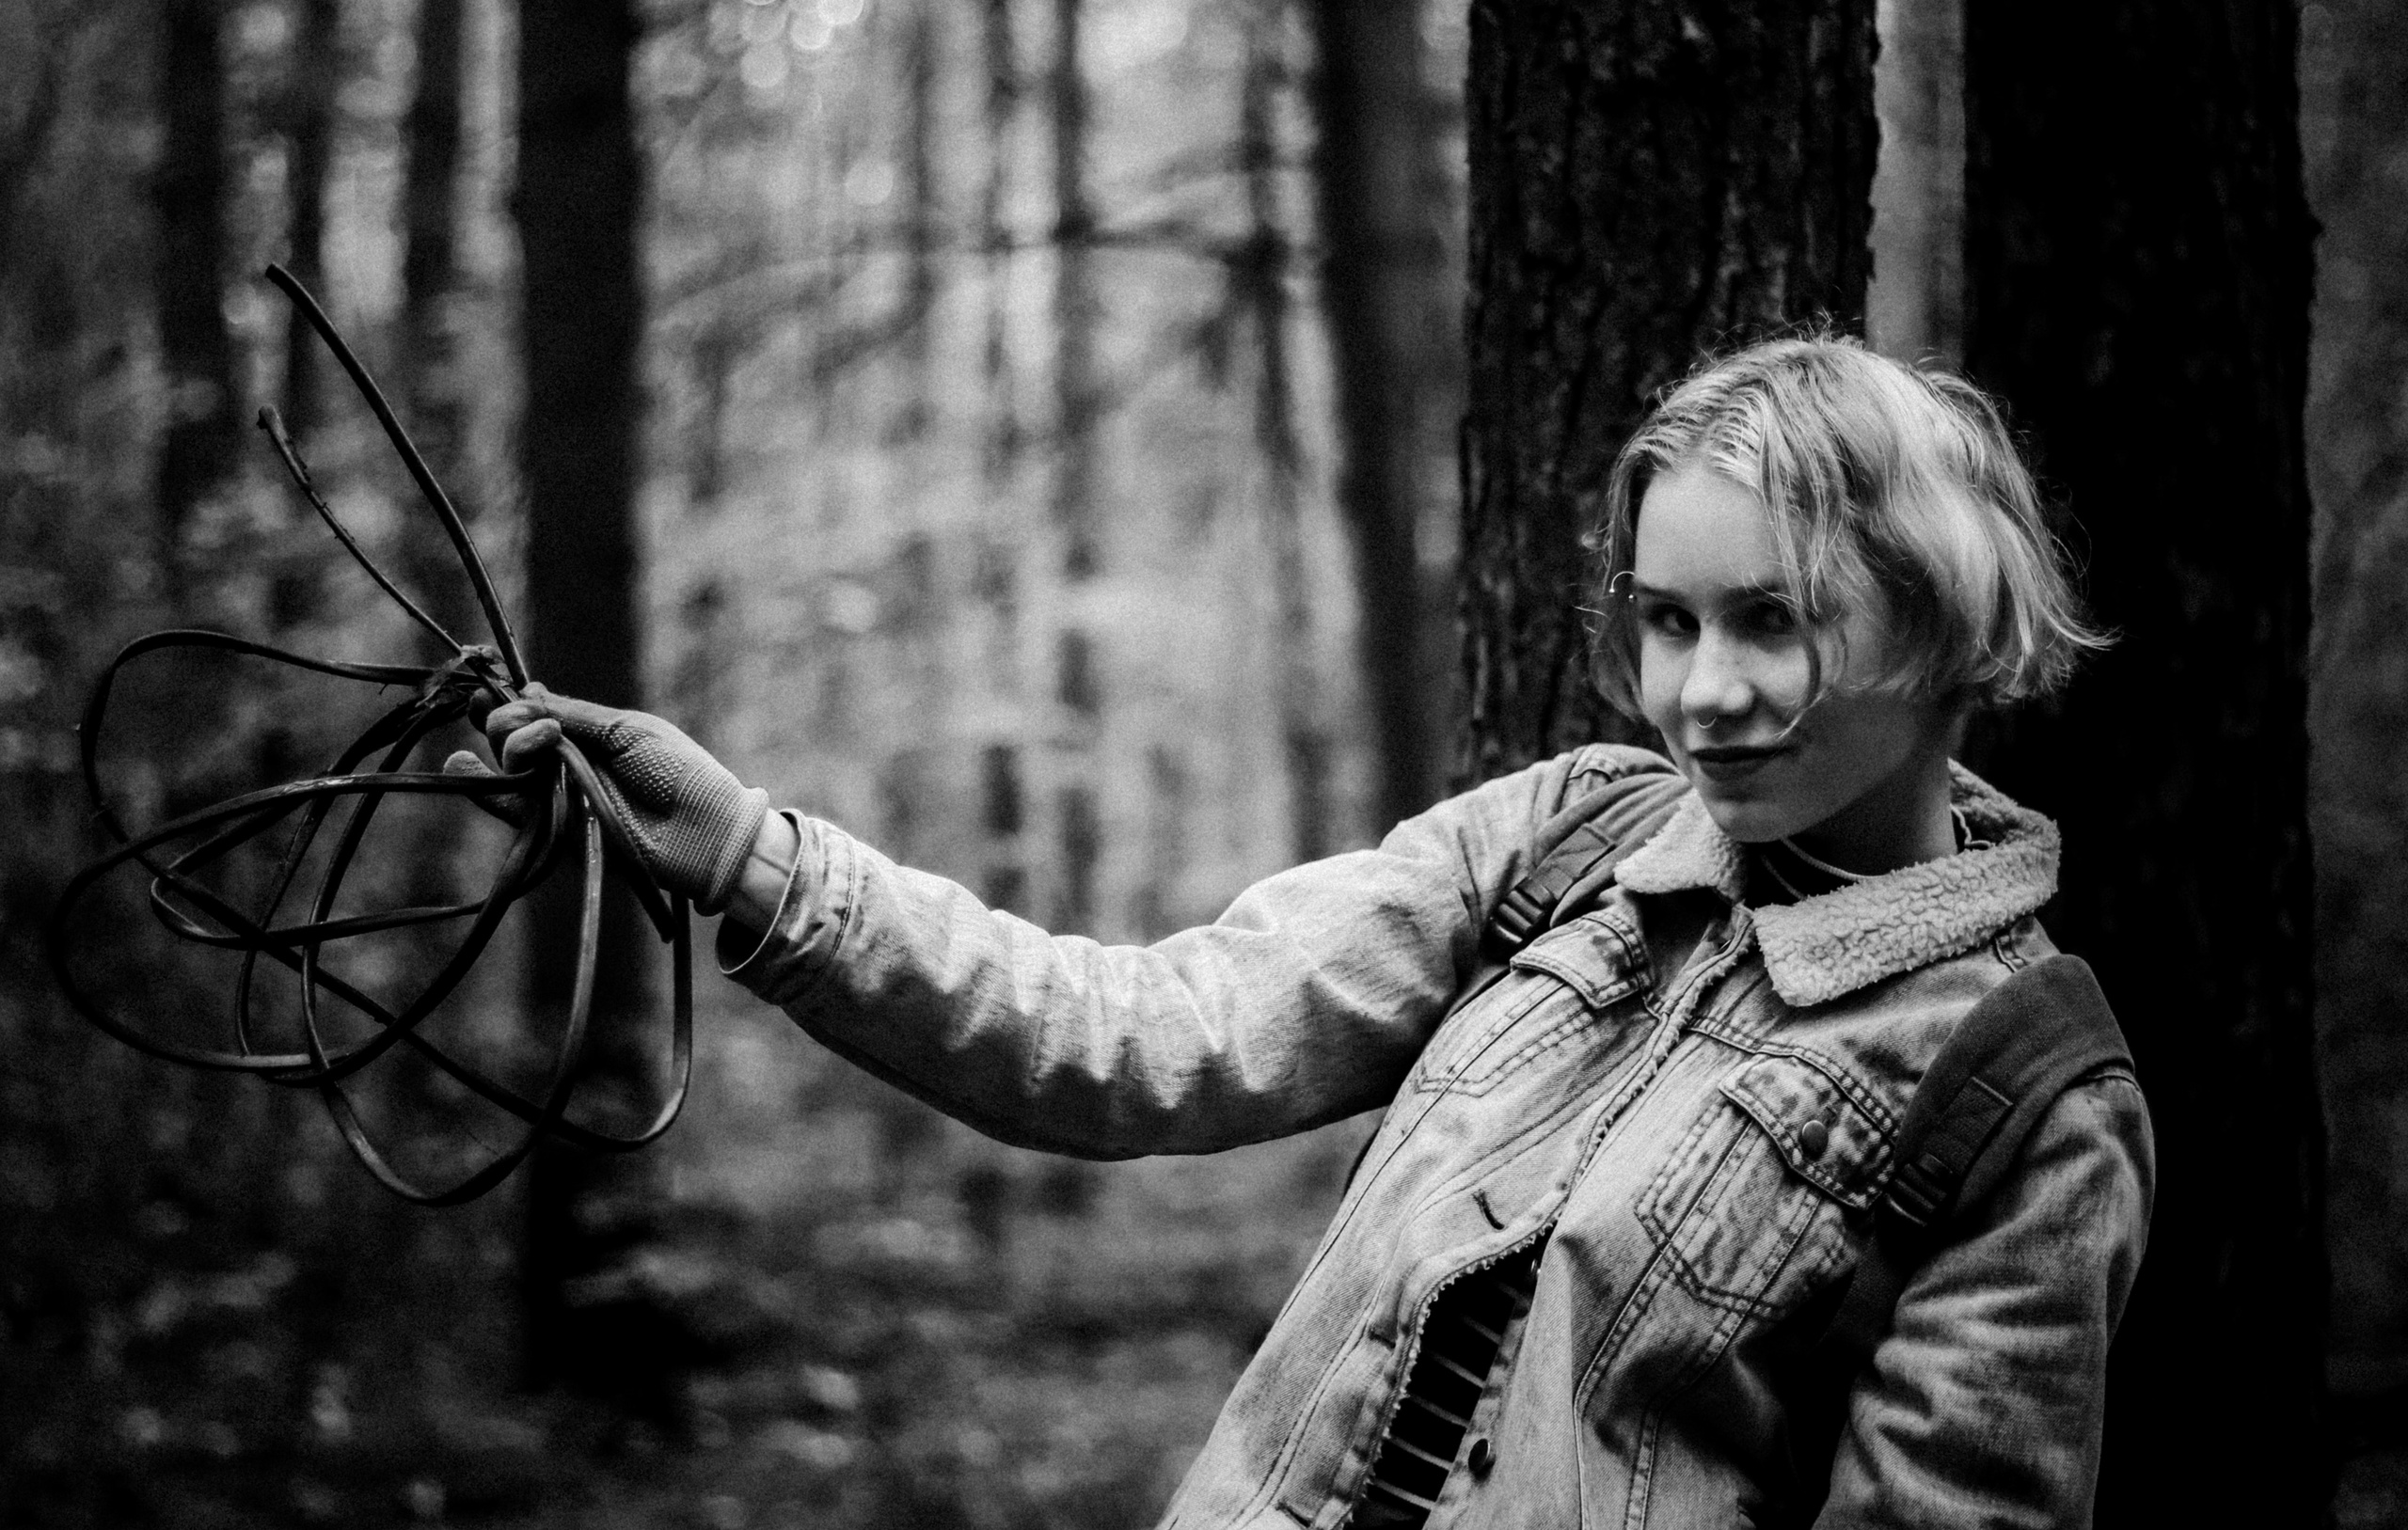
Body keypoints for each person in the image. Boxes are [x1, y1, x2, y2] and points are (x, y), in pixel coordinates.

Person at [456, 335, 2154, 1528]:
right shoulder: (1575, 838)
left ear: (1941, 621)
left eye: (1772, 622)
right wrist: (754, 855)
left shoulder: (2025, 1098)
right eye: (1668, 620)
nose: (1702, 692)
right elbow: (1139, 1033)